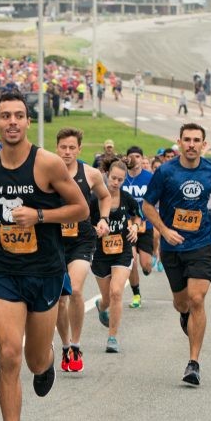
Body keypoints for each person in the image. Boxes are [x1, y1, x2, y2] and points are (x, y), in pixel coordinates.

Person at [0, 90, 88, 421]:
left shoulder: (48, 164)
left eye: (19, 115)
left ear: (27, 120)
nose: (12, 122)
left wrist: (39, 215)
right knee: (9, 355)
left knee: (35, 360)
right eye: (5, 116)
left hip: (45, 273)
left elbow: (81, 208)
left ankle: (47, 361)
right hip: (5, 272)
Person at [144, 123, 211, 385]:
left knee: (197, 299)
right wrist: (164, 230)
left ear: (204, 144)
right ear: (179, 142)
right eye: (187, 140)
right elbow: (148, 205)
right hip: (172, 246)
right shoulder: (165, 172)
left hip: (202, 244)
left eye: (196, 140)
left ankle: (193, 364)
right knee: (182, 303)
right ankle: (184, 315)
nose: (191, 144)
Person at [54, 127, 110, 372]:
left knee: (75, 290)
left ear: (79, 149)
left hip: (82, 239)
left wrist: (104, 219)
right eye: (63, 147)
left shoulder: (90, 173)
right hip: (54, 240)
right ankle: (65, 345)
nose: (67, 152)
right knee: (59, 299)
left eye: (71, 148)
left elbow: (105, 197)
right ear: (57, 148)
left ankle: (76, 345)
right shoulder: (46, 171)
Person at [92, 160, 141, 353]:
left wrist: (135, 227)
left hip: (122, 251)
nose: (116, 182)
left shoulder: (127, 198)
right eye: (113, 178)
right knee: (106, 298)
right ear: (107, 175)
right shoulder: (94, 199)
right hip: (100, 253)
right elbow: (83, 221)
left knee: (116, 292)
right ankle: (101, 305)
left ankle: (112, 337)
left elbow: (137, 216)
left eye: (120, 180)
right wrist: (95, 229)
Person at [121, 146, 154, 308]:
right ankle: (136, 294)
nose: (134, 159)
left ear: (142, 159)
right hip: (127, 226)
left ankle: (148, 265)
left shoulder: (150, 177)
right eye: (131, 156)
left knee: (146, 265)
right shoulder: (121, 177)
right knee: (132, 259)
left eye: (138, 156)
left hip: (146, 225)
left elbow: (157, 199)